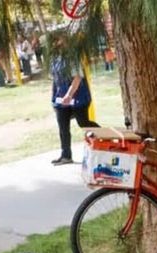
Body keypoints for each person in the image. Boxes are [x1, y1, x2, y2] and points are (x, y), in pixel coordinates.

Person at [50, 33, 100, 166]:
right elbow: (55, 79)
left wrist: (69, 95)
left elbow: (77, 78)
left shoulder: (73, 58)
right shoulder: (55, 58)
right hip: (61, 99)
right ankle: (66, 155)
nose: (56, 44)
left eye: (58, 41)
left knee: (83, 122)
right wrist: (55, 98)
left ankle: (105, 137)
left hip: (78, 97)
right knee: (63, 127)